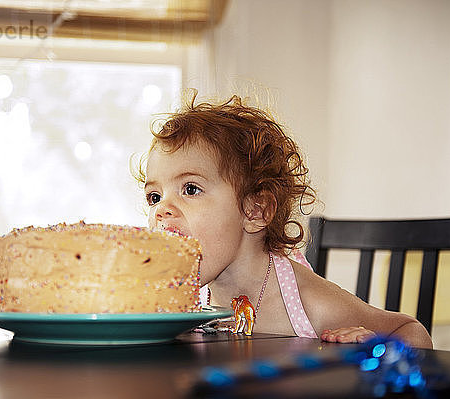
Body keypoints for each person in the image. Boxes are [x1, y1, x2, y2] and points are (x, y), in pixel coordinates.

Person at [136, 92, 433, 349]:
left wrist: (371, 348)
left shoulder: (311, 303)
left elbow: (412, 333)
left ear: (256, 211)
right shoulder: (184, 302)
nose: (162, 209)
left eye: (190, 189)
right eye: (154, 196)